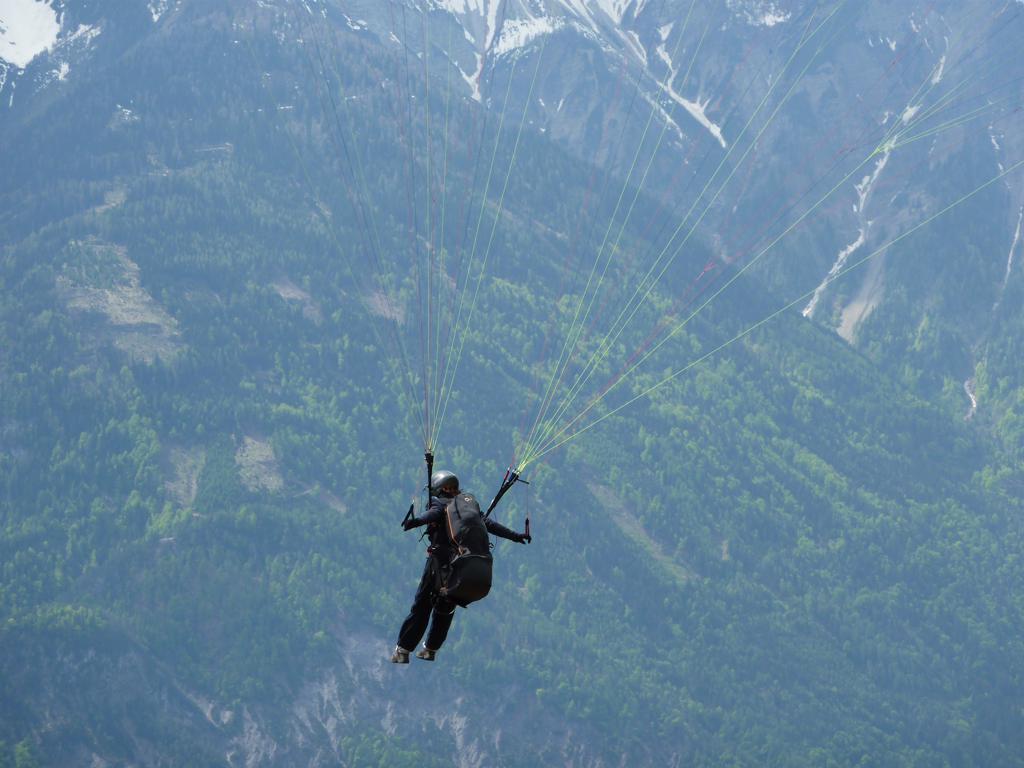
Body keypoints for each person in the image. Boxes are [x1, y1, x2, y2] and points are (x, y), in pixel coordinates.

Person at [391, 470, 530, 663]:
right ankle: (430, 649)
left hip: (438, 563)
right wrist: (515, 536)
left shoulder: (440, 504)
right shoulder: (467, 505)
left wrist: (415, 522)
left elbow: (432, 514)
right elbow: (488, 524)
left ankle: (403, 651)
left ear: (439, 489)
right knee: (446, 606)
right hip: (459, 565)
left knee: (422, 605)